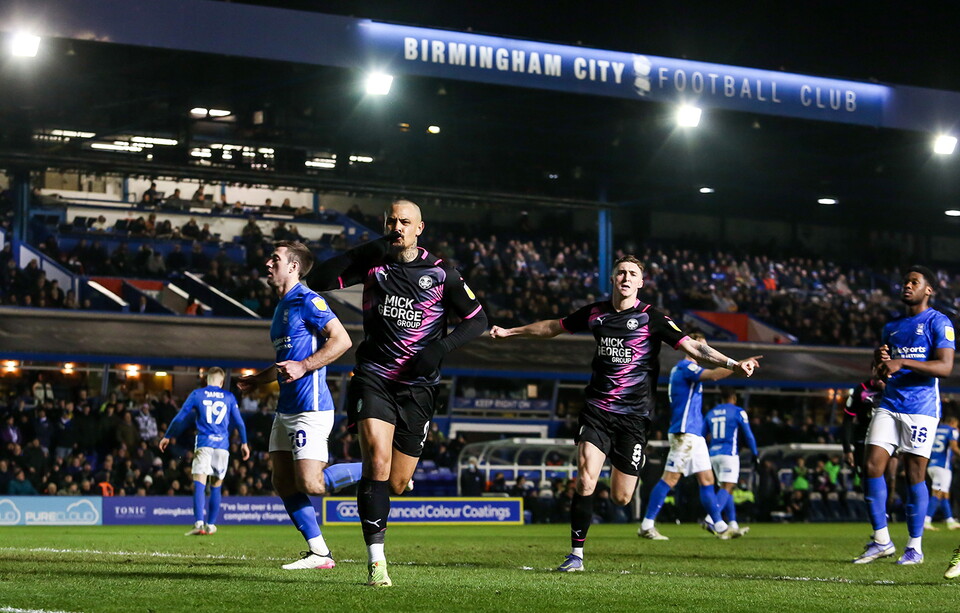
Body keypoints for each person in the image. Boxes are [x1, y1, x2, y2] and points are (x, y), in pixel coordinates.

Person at [490, 256, 760, 571]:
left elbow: (695, 348)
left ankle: (635, 515)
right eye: (621, 272)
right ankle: (576, 555)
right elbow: (553, 326)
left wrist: (733, 364)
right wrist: (512, 331)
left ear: (641, 282)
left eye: (633, 273)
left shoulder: (653, 318)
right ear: (613, 279)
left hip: (633, 418)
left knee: (622, 497)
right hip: (597, 410)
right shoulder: (595, 313)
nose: (626, 277)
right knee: (586, 478)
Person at [311, 199, 487, 586]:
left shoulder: (443, 275)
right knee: (376, 460)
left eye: (405, 222)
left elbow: (479, 321)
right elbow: (318, 279)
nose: (397, 227)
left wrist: (441, 347)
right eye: (391, 221)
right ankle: (376, 561)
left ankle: (366, 481)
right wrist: (366, 248)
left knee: (393, 481)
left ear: (419, 228)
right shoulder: (374, 263)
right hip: (374, 376)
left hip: (419, 390)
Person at [237, 240, 360, 571]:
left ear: (293, 267)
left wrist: (305, 366)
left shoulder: (308, 300)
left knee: (311, 484)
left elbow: (343, 340)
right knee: (282, 482)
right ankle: (319, 552)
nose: (267, 263)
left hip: (311, 407)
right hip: (286, 409)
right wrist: (257, 380)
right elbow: (285, 363)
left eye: (274, 258)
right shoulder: (280, 307)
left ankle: (382, 467)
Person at [853, 266, 954, 566]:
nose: (907, 286)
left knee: (914, 474)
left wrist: (901, 362)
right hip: (890, 402)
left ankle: (914, 547)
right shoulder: (892, 327)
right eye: (905, 282)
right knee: (871, 465)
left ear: (928, 290)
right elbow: (882, 372)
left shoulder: (939, 321)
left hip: (921, 407)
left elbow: (945, 367)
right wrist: (880, 362)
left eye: (915, 282)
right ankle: (881, 540)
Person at [639, 333, 752, 541]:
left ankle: (718, 525)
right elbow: (714, 376)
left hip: (695, 434)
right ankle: (647, 524)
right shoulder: (685, 368)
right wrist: (737, 366)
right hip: (685, 433)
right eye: (702, 348)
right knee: (671, 478)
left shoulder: (688, 370)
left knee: (707, 479)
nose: (706, 352)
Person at [159, 367, 250, 536]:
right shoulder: (229, 397)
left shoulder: (197, 394)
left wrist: (167, 435)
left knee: (199, 483)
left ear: (206, 380)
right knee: (216, 486)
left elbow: (180, 416)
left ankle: (199, 523)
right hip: (222, 446)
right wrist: (244, 443)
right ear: (221, 382)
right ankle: (211, 525)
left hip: (204, 443)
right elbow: (240, 423)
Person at [702, 387, 758, 536]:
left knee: (726, 488)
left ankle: (733, 523)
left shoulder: (711, 413)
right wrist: (755, 453)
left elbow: (701, 435)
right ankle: (711, 519)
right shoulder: (738, 411)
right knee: (728, 486)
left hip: (713, 454)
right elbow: (748, 434)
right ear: (734, 398)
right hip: (729, 454)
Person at [925, 416, 960, 531]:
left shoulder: (936, 429)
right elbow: (954, 447)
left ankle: (950, 521)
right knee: (938, 493)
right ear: (953, 421)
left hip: (932, 465)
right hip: (943, 467)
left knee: (944, 493)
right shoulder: (952, 430)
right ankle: (927, 519)